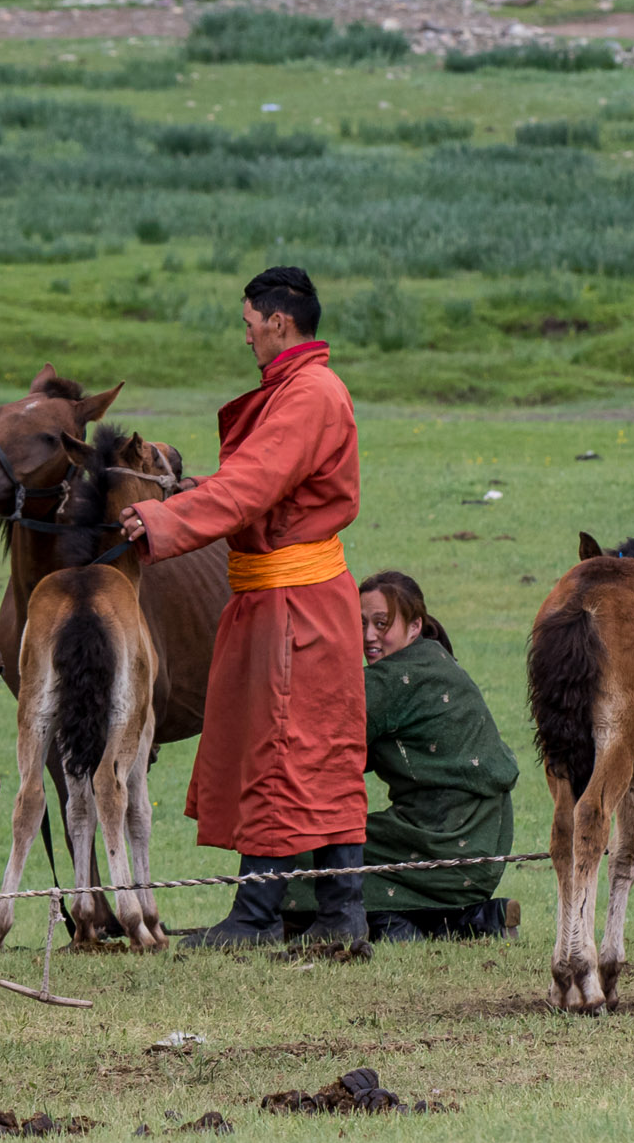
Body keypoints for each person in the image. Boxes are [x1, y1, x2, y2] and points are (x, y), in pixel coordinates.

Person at [121, 266, 368, 948]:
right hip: (294, 597)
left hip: (296, 605)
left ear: (277, 321)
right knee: (315, 748)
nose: (248, 338)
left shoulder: (308, 394)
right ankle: (338, 914)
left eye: (250, 325)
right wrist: (186, 492)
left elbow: (251, 488)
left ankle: (260, 918)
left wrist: (160, 517)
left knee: (285, 750)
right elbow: (253, 483)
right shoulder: (304, 389)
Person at [345, 571, 521, 941]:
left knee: (315, 856)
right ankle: (473, 919)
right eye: (360, 624)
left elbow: (331, 753)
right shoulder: (436, 660)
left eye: (382, 623)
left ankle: (392, 926)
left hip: (443, 838)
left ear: (414, 627)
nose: (368, 636)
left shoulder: (390, 680)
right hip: (487, 845)